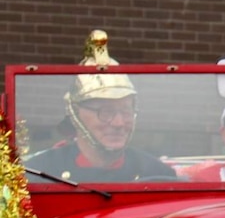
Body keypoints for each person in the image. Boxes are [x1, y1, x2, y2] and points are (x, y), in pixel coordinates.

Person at [25, 30, 176, 183]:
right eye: (106, 112)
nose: (119, 123)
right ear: (76, 113)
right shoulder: (38, 173)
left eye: (126, 111)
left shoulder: (158, 174)